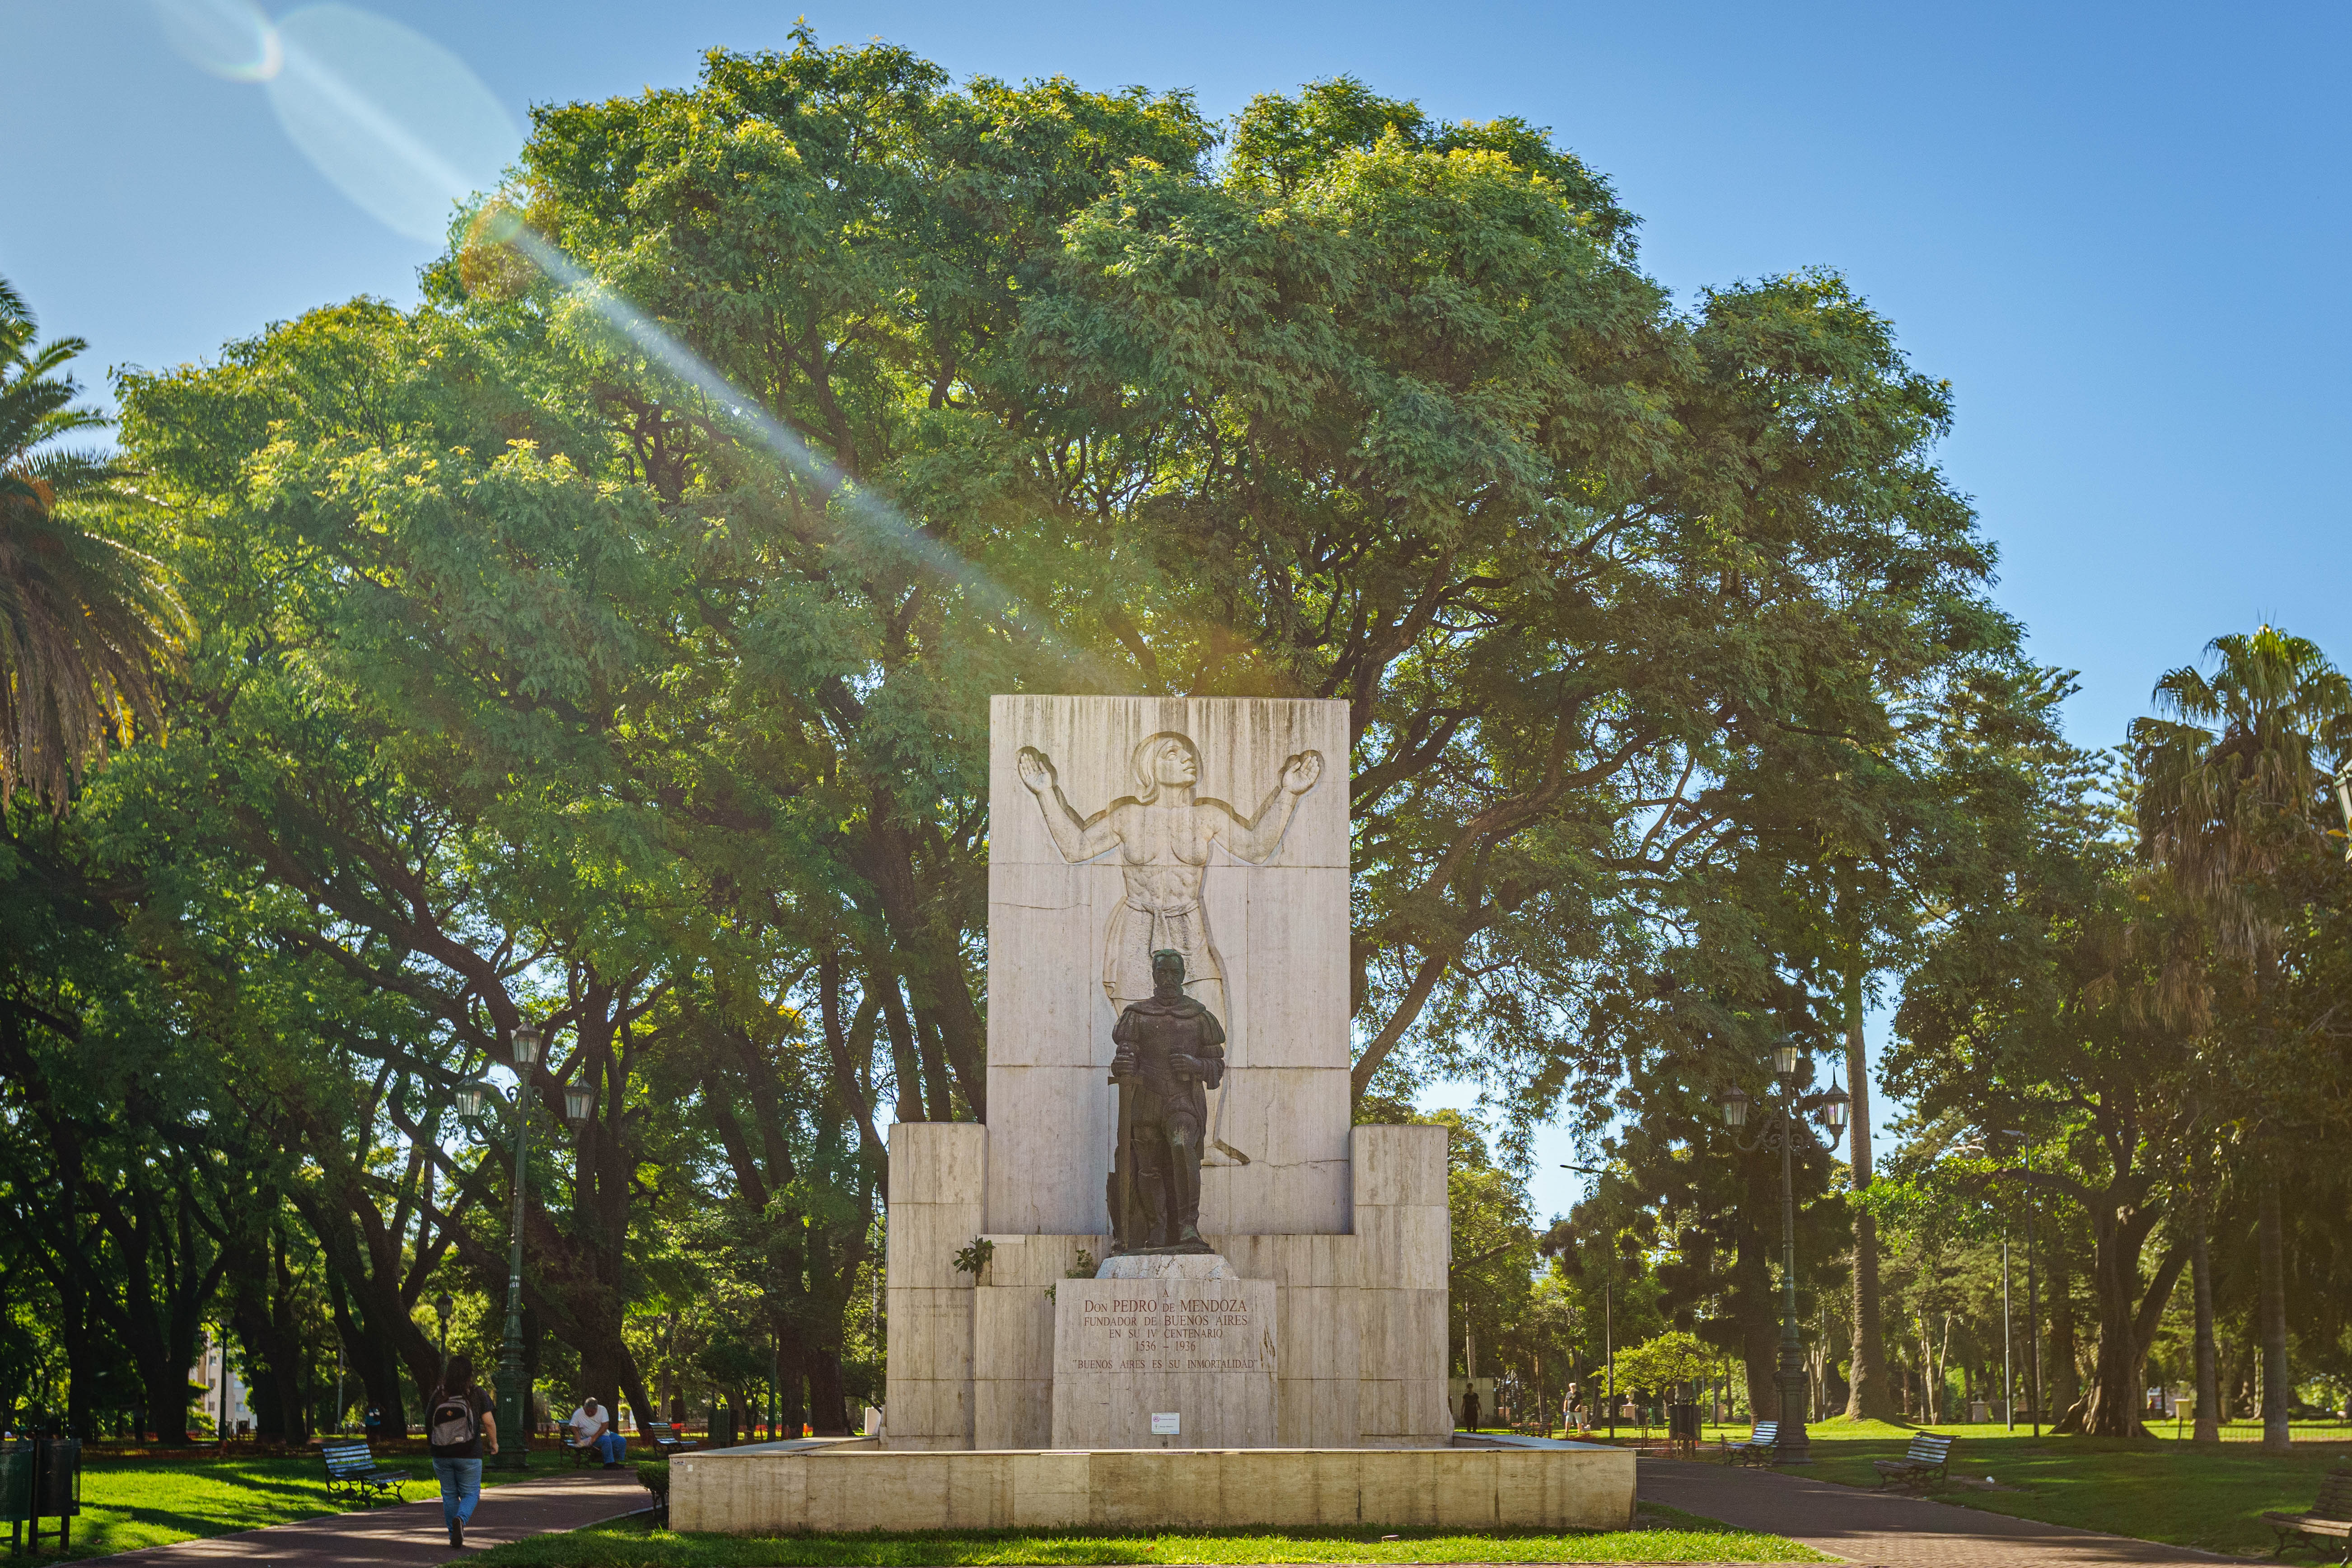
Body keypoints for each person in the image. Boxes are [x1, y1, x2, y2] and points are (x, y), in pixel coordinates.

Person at [423, 1353, 497, 1549]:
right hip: (469, 1453)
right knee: (471, 1494)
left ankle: (453, 1536)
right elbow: (489, 1422)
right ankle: (461, 1519)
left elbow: (428, 1420)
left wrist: (434, 1444)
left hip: (441, 1454)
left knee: (449, 1495)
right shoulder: (477, 1393)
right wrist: (494, 1444)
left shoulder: (439, 1394)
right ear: (470, 1374)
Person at [568, 1394, 627, 1468]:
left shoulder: (602, 1410)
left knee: (621, 1441)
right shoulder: (578, 1414)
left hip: (605, 1434)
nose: (590, 1413)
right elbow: (573, 1426)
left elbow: (605, 1426)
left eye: (592, 1411)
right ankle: (609, 1464)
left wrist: (595, 1437)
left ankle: (614, 1461)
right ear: (585, 1407)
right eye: (588, 1411)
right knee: (606, 1440)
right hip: (588, 1438)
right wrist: (578, 1437)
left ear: (597, 1408)